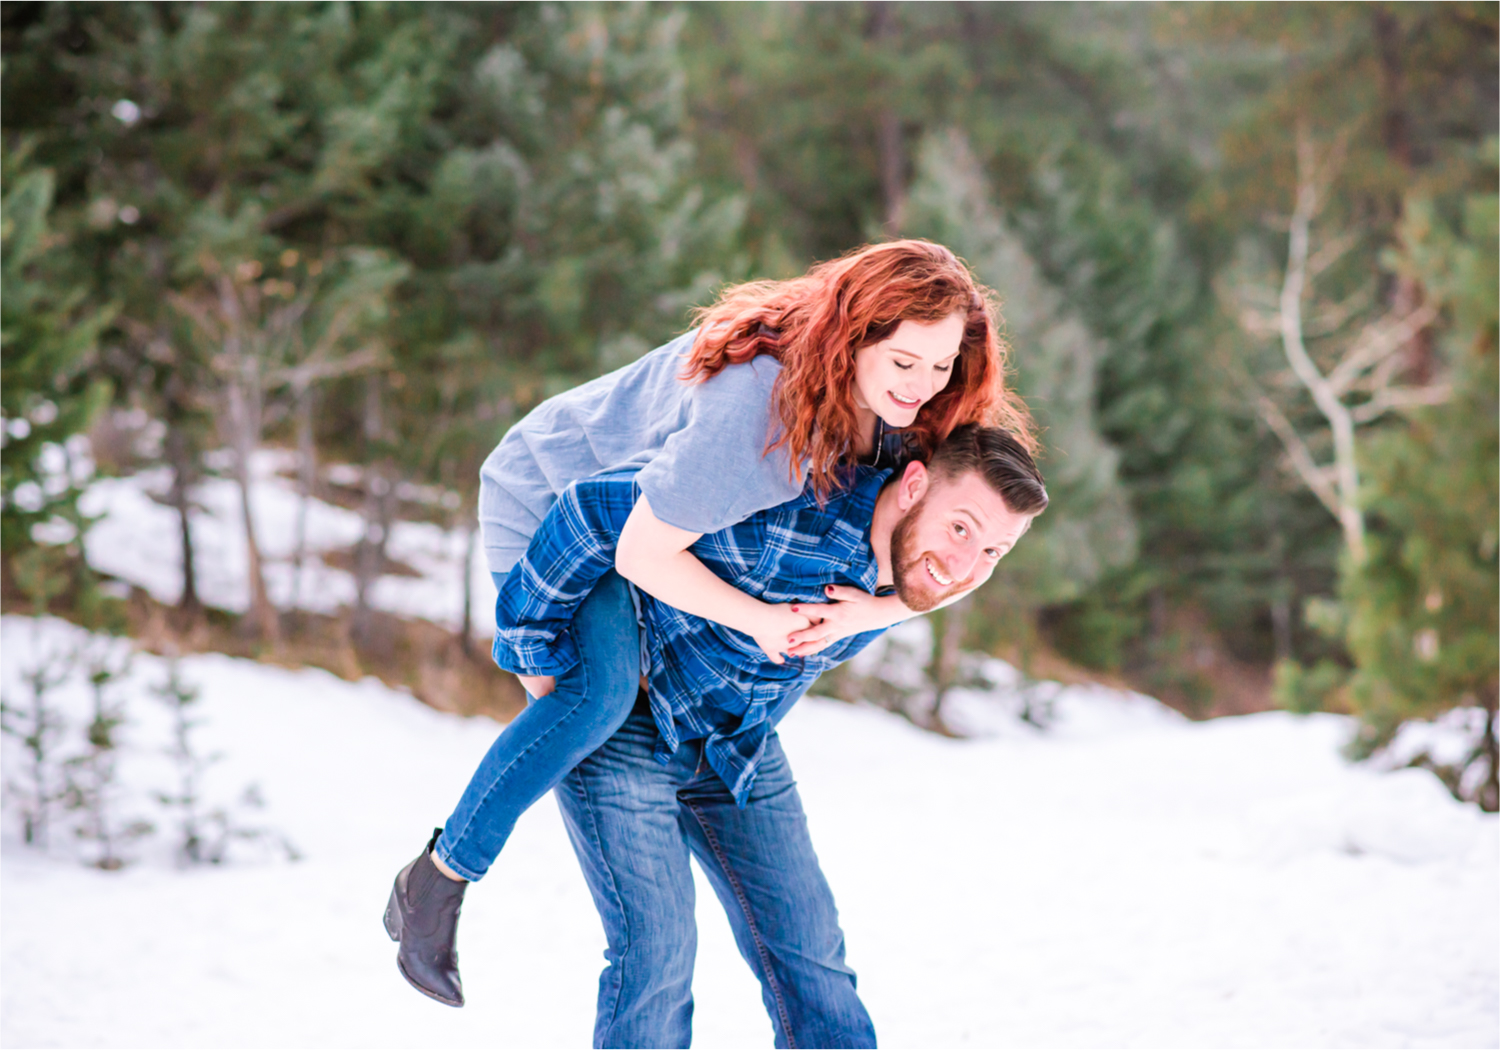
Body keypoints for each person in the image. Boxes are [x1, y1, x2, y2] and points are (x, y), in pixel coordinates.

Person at [384, 240, 1037, 1007]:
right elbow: (636, 548)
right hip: (553, 500)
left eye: (942, 365)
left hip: (648, 522)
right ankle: (436, 882)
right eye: (905, 362)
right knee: (595, 698)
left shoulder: (910, 412)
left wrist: (880, 606)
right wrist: (755, 621)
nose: (924, 386)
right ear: (856, 335)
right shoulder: (761, 419)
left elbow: (967, 553)